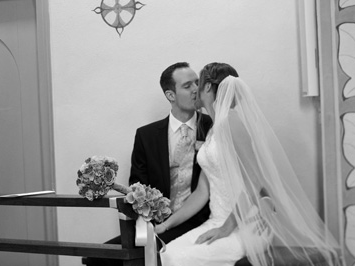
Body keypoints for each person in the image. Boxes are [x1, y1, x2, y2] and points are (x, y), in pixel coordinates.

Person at [156, 63, 340, 266]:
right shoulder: (213, 129)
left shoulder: (231, 123)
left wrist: (225, 229)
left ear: (207, 87)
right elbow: (202, 191)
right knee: (167, 254)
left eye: (198, 84)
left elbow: (254, 179)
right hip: (216, 220)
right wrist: (166, 225)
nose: (194, 90)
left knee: (180, 260)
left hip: (246, 225)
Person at [85, 62, 212, 266]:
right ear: (171, 95)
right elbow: (138, 184)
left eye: (197, 83)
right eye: (188, 86)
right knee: (97, 259)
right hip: (156, 223)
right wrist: (150, 216)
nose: (196, 89)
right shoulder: (146, 135)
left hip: (199, 221)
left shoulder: (213, 126)